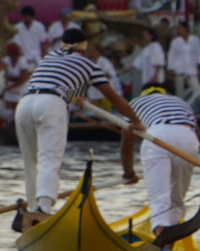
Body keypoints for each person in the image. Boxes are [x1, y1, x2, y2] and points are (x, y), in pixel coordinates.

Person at [13, 27, 139, 216]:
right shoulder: (89, 64)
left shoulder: (49, 58)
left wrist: (77, 96)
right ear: (84, 47)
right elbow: (116, 99)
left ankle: (34, 208)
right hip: (50, 104)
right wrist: (136, 122)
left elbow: (59, 82)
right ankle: (44, 208)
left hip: (24, 104)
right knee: (49, 159)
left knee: (30, 161)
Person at [119, 85, 200, 240]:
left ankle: (162, 239)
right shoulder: (181, 102)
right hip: (188, 139)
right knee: (176, 200)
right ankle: (170, 242)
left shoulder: (135, 103)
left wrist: (128, 173)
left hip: (157, 135)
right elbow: (199, 136)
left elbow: (126, 146)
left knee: (159, 199)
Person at [166, 21, 200, 99]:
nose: (178, 30)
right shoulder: (175, 42)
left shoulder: (195, 40)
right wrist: (171, 68)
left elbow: (199, 53)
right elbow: (172, 55)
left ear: (185, 29)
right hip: (179, 69)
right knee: (180, 93)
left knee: (196, 89)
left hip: (191, 69)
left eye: (180, 28)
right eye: (178, 28)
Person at [132, 26, 168, 91]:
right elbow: (137, 63)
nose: (144, 37)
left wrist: (156, 76)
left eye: (146, 35)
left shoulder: (156, 47)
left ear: (151, 36)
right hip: (147, 81)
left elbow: (159, 63)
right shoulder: (146, 49)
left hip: (155, 81)